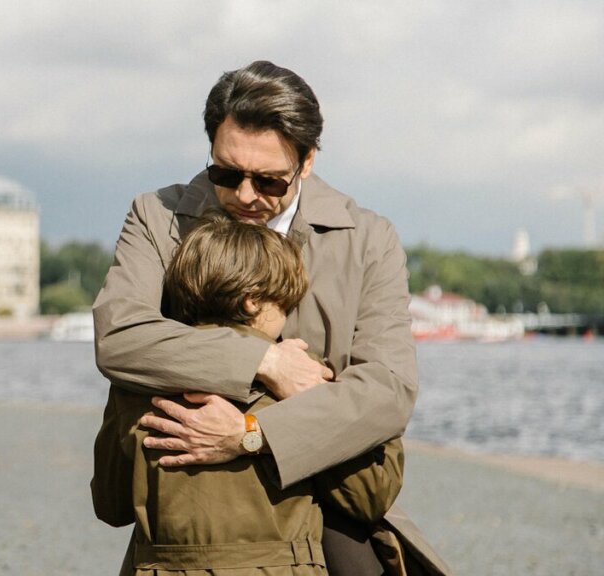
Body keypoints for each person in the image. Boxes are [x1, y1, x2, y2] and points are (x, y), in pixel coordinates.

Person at [93, 60, 451, 575]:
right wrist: (265, 362)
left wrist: (253, 432)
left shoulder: (368, 239)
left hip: (330, 506)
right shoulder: (158, 216)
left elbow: (388, 391)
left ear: (306, 162)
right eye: (225, 173)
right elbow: (119, 336)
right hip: (189, 515)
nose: (244, 195)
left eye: (268, 181)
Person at [92, 210, 406, 574]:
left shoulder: (136, 383)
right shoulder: (300, 378)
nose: (287, 316)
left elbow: (111, 505)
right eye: (284, 303)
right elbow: (370, 495)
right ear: (252, 301)